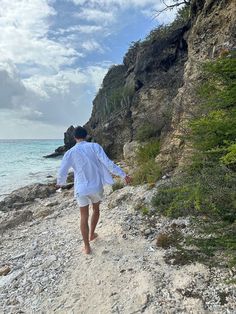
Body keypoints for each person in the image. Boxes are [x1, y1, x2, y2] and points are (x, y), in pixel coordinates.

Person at [56, 126, 131, 254]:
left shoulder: (70, 152)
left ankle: (87, 247)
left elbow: (62, 170)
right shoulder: (94, 146)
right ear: (86, 136)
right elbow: (108, 163)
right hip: (96, 186)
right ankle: (91, 234)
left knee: (83, 216)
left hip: (81, 188)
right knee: (96, 210)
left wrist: (60, 183)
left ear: (74, 138)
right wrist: (123, 175)